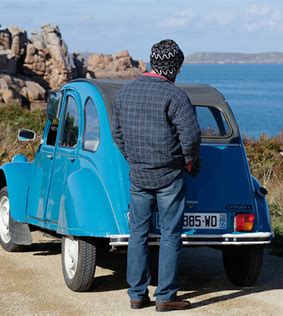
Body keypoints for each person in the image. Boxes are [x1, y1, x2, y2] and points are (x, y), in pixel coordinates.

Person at [112, 39, 201, 311]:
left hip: (139, 174)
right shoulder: (175, 96)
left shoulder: (125, 93)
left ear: (152, 62)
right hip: (169, 176)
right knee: (170, 234)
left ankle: (137, 294)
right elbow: (191, 136)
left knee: (137, 232)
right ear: (174, 67)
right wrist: (189, 162)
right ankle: (165, 297)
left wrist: (133, 159)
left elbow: (117, 134)